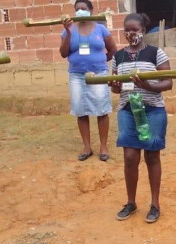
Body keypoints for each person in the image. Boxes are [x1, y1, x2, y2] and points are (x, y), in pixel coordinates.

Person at [108, 13, 172, 223]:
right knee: (129, 157)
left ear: (143, 30)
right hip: (128, 109)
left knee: (152, 156)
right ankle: (131, 202)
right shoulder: (118, 56)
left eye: (135, 30)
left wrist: (148, 86)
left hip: (152, 109)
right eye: (127, 30)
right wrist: (116, 87)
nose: (131, 34)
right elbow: (118, 90)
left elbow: (168, 83)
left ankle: (155, 204)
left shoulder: (156, 53)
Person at [60, 0, 118, 161]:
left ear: (91, 11)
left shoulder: (101, 29)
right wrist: (68, 33)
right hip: (77, 76)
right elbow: (63, 53)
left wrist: (100, 62)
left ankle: (103, 146)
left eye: (83, 9)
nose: (80, 12)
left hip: (99, 75)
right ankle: (87, 147)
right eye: (77, 9)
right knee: (81, 110)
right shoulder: (68, 30)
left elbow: (113, 50)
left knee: (102, 110)